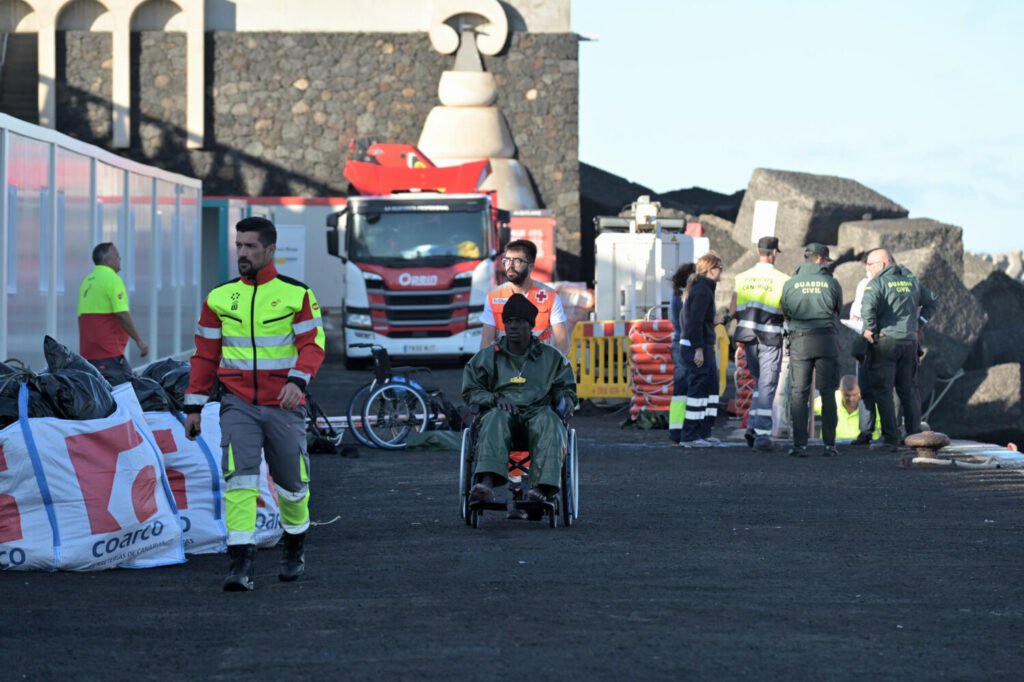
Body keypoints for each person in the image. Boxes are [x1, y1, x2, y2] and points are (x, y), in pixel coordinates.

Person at [183, 217, 326, 591]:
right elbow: (205, 355)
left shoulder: (297, 294)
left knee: (293, 485)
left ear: (270, 249)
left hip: (285, 404)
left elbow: (313, 345)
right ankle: (240, 565)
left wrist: (298, 380)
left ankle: (294, 547)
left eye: (250, 246)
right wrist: (194, 406)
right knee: (240, 479)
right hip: (238, 403)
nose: (242, 253)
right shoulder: (219, 297)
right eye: (239, 245)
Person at [464, 294, 578, 504]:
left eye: (518, 321)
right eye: (508, 321)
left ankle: (541, 489)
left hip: (538, 412)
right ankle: (486, 484)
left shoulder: (551, 357)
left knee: (551, 421)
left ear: (530, 325)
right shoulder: (487, 357)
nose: (513, 326)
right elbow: (471, 391)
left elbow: (565, 387)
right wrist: (494, 398)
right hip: (501, 413)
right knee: (495, 418)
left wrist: (567, 399)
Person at [860, 248, 939, 453]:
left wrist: (868, 328)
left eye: (870, 265)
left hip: (886, 342)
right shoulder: (911, 281)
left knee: (883, 390)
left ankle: (890, 438)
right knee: (908, 389)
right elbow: (933, 300)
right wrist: (919, 322)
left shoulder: (877, 284)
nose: (868, 269)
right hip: (909, 343)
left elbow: (867, 307)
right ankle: (914, 435)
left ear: (882, 264)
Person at [780, 243, 843, 457]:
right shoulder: (832, 282)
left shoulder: (790, 283)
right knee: (828, 392)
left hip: (800, 342)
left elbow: (786, 313)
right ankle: (829, 445)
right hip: (826, 341)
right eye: (827, 261)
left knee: (799, 393)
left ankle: (800, 445)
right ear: (820, 260)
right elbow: (837, 310)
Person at [729, 236, 789, 451]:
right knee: (767, 386)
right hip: (770, 338)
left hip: (748, 338)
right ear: (774, 253)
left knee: (758, 384)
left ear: (757, 252)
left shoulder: (742, 277)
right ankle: (762, 435)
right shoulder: (783, 279)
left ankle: (753, 428)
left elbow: (732, 310)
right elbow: (787, 312)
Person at [480, 239, 570, 355]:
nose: (510, 265)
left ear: (530, 267)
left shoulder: (549, 297)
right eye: (507, 260)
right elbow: (486, 341)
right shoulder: (493, 297)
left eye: (517, 261)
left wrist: (550, 364)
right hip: (505, 361)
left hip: (539, 360)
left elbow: (563, 342)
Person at [77, 242, 149, 376]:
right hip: (108, 352)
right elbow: (122, 314)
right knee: (125, 385)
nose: (120, 259)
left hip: (88, 354)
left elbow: (81, 318)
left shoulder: (87, 282)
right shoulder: (112, 280)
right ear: (108, 259)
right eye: (117, 255)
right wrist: (139, 341)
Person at [678, 252, 725, 448]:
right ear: (710, 270)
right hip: (698, 346)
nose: (721, 271)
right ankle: (690, 436)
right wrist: (698, 348)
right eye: (719, 267)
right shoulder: (703, 291)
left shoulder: (703, 289)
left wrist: (713, 321)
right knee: (698, 391)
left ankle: (704, 432)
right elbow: (693, 322)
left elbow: (698, 320)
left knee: (710, 389)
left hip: (703, 344)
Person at [847, 264, 877, 445]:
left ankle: (892, 432)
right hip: (864, 340)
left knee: (887, 389)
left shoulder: (887, 284)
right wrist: (855, 319)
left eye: (870, 265)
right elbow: (856, 309)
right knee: (865, 387)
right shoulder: (863, 284)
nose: (867, 268)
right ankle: (866, 431)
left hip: (882, 341)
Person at [668, 262, 697, 445]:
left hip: (677, 345)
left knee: (679, 390)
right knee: (685, 389)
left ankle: (676, 432)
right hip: (685, 345)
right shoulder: (685, 297)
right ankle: (680, 432)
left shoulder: (675, 296)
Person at [814, 375, 881, 441]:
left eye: (854, 395)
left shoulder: (869, 404)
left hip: (865, 446)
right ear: (840, 391)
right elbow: (810, 403)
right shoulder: (832, 399)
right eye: (847, 395)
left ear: (860, 390)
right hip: (833, 446)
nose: (851, 399)